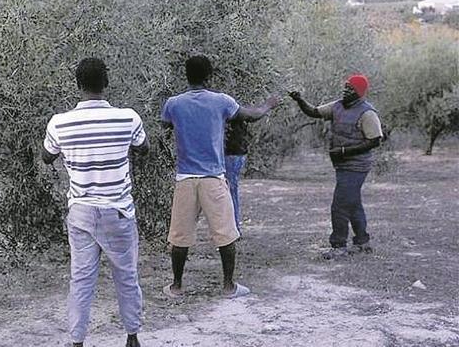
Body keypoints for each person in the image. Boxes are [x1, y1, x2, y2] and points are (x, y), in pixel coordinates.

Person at [42, 58, 149, 347]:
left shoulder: (59, 123)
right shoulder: (128, 117)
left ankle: (77, 340)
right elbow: (144, 148)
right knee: (126, 276)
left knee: (81, 279)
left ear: (77, 85)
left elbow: (47, 156)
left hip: (81, 211)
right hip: (118, 211)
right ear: (107, 83)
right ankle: (132, 336)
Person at [160, 55, 279, 299]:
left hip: (185, 178)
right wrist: (268, 104)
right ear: (209, 76)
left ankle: (177, 286)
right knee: (225, 232)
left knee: (180, 235)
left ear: (186, 75)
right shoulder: (221, 102)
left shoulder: (174, 104)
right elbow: (250, 115)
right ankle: (228, 286)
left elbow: (165, 125)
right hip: (213, 176)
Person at [289, 74, 383, 260]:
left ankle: (339, 245)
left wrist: (344, 151)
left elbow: (375, 140)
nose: (345, 90)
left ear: (359, 93)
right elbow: (314, 112)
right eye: (345, 87)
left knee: (339, 205)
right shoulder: (337, 106)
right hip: (342, 164)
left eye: (350, 88)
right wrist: (300, 100)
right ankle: (362, 242)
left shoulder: (367, 113)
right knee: (353, 203)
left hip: (357, 166)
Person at [224, 119, 250, 235]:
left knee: (230, 190)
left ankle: (234, 229)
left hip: (232, 154)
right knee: (231, 190)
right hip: (237, 153)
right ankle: (233, 227)